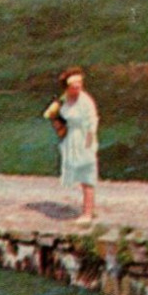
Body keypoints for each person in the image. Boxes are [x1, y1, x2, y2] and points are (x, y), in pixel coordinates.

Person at [51, 67, 98, 221]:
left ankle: (88, 213)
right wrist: (57, 123)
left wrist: (89, 144)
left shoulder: (85, 101)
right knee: (77, 173)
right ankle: (87, 208)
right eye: (74, 85)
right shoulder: (64, 99)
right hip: (71, 138)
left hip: (84, 138)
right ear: (68, 87)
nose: (78, 87)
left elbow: (92, 122)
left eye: (80, 84)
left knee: (87, 175)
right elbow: (57, 116)